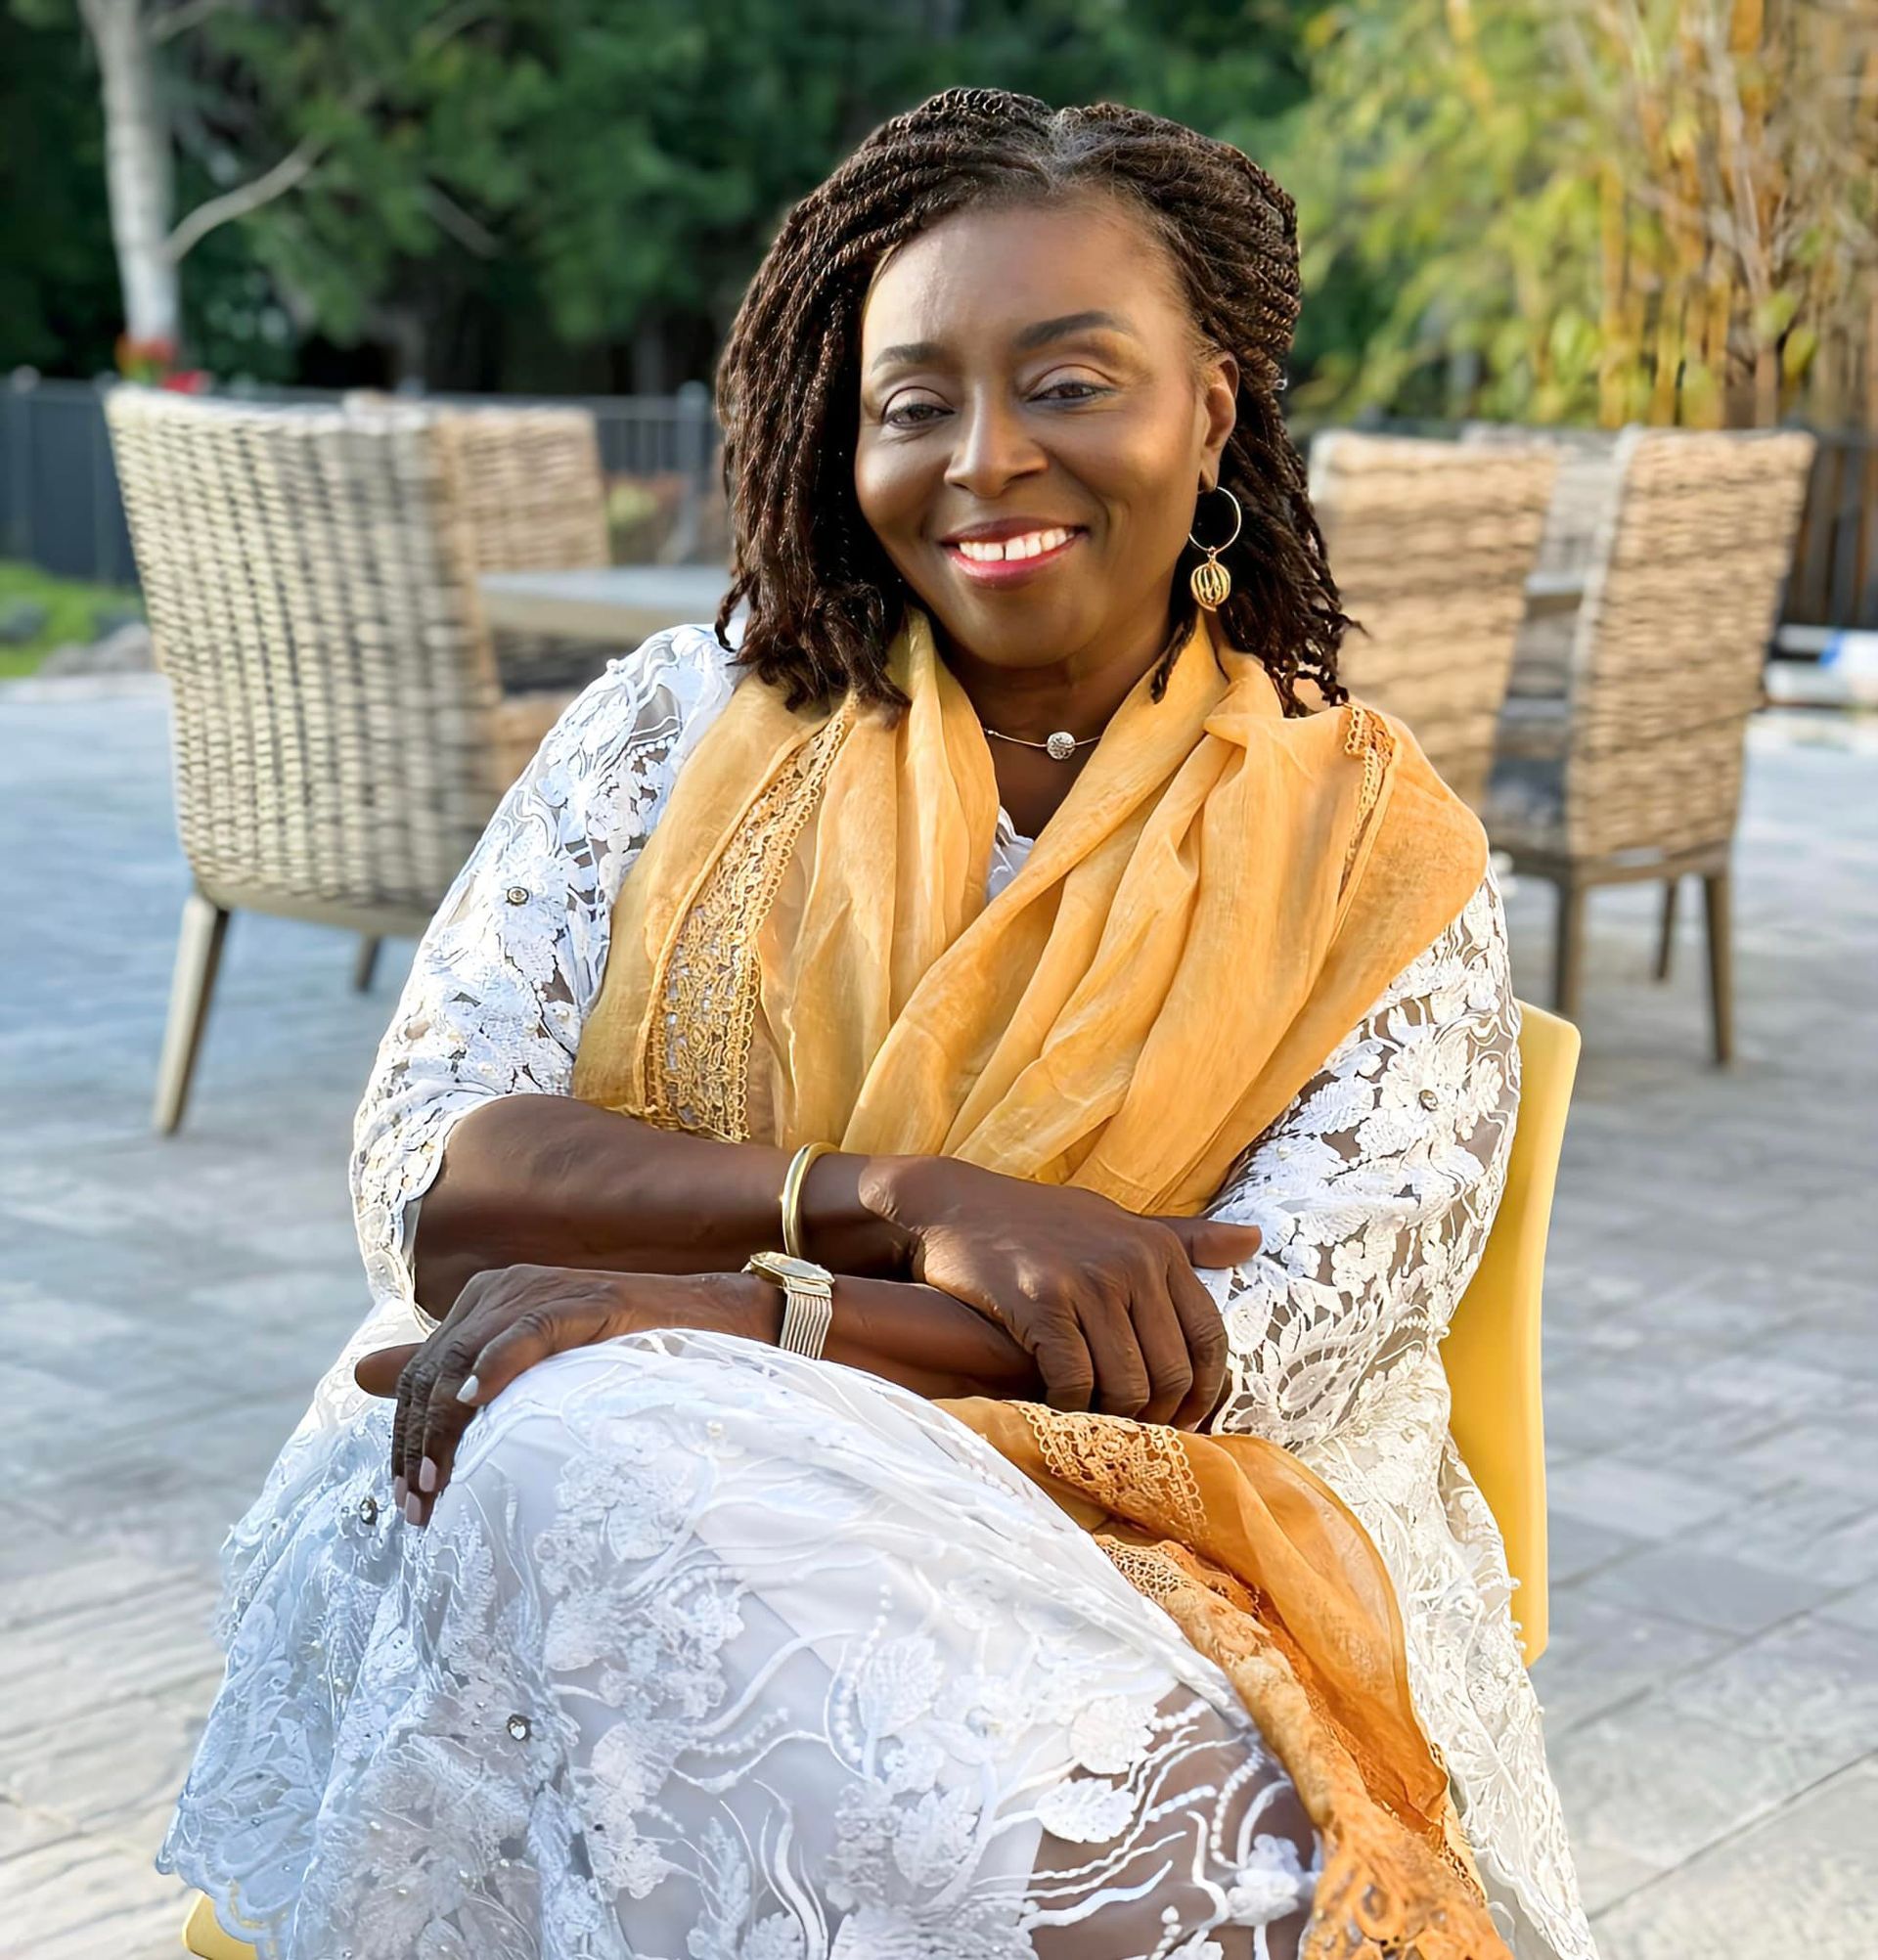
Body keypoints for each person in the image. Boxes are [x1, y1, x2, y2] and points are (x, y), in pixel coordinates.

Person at [158, 89, 1595, 1960]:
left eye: (1071, 382)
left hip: (1154, 1541)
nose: (988, 459)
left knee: (574, 1427)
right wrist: (902, 1199)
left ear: (1212, 409)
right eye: (915, 404)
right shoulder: (675, 732)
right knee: (568, 1444)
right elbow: (434, 1182)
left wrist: (707, 1310)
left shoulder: (1371, 853)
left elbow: (1239, 1349)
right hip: (618, 1479)